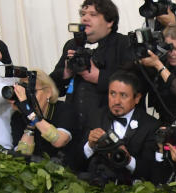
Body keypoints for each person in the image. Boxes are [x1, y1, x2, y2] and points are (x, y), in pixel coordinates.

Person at [49, 0, 132, 149]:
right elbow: (52, 88)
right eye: (83, 14)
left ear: (110, 21)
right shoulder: (72, 44)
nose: (85, 18)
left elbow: (135, 85)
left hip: (108, 127)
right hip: (73, 127)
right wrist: (66, 73)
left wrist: (98, 76)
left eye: (93, 14)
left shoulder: (123, 44)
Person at [80, 70, 159, 185]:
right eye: (112, 94)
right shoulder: (96, 116)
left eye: (123, 95)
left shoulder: (150, 125)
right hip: (94, 186)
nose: (116, 101)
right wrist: (89, 146)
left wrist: (128, 160)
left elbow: (150, 172)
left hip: (131, 192)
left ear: (137, 98)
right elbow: (76, 161)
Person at [7, 71, 74, 161]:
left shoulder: (64, 109)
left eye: (32, 92)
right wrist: (30, 123)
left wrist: (31, 114)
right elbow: (21, 158)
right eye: (26, 93)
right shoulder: (18, 117)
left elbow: (59, 141)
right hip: (35, 170)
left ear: (48, 92)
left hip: (65, 168)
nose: (28, 97)